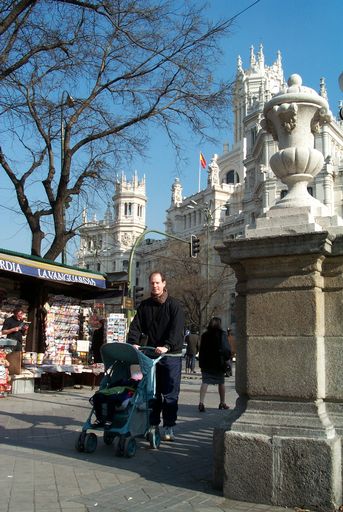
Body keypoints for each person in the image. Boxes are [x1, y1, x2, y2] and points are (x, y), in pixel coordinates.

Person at [127, 271, 185, 442]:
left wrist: (167, 346)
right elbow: (136, 326)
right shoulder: (145, 306)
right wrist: (134, 342)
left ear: (164, 283)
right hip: (152, 355)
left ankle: (169, 426)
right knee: (152, 392)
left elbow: (177, 329)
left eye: (158, 283)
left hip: (170, 356)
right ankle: (152, 424)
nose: (155, 286)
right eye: (152, 283)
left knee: (170, 394)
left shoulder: (174, 305)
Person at [198, 317, 231, 412]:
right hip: (218, 363)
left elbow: (201, 350)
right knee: (221, 382)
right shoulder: (221, 334)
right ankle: (222, 402)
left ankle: (201, 402)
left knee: (205, 382)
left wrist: (201, 363)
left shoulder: (204, 335)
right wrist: (227, 357)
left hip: (206, 363)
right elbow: (225, 349)